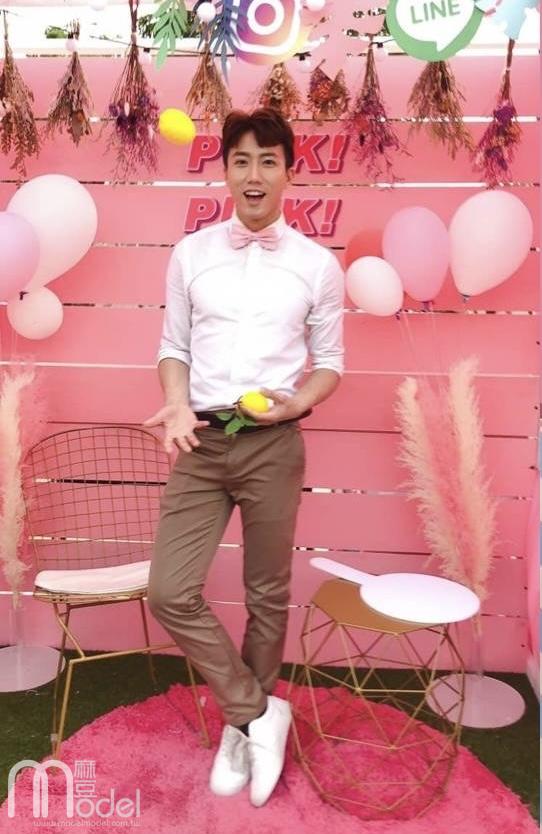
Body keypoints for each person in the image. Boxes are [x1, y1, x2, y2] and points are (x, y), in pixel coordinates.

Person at [144, 107, 344, 807]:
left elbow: (330, 364)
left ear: (289, 171)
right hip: (200, 440)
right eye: (241, 160)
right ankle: (256, 714)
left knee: (266, 595)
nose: (254, 174)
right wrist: (176, 402)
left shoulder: (317, 266)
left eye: (268, 160)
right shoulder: (190, 254)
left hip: (273, 446)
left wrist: (295, 405)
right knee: (169, 590)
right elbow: (173, 347)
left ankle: (240, 731)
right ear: (225, 170)